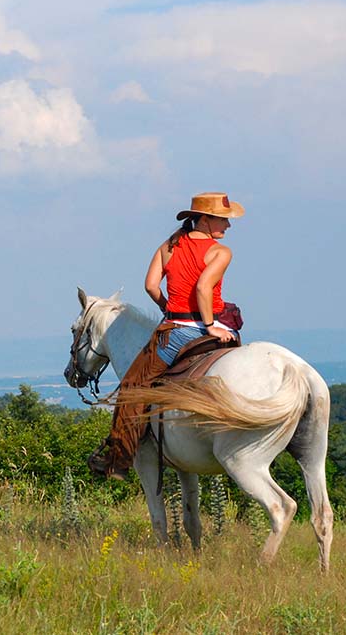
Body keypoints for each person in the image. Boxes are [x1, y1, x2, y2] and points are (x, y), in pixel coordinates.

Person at [88, 192, 244, 479]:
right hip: (219, 328)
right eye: (223, 220)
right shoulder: (221, 253)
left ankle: (117, 461)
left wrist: (168, 307)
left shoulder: (168, 247)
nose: (228, 226)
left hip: (178, 332)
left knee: (132, 389)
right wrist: (210, 326)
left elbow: (150, 286)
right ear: (205, 220)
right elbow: (203, 289)